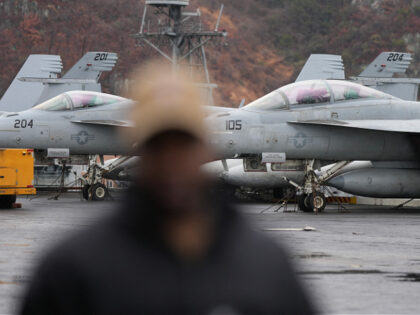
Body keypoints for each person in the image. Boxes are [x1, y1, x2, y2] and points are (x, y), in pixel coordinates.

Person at [20, 62, 315, 314]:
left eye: (183, 144)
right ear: (138, 146)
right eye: (158, 145)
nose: (171, 161)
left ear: (204, 146)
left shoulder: (266, 265)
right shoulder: (72, 267)